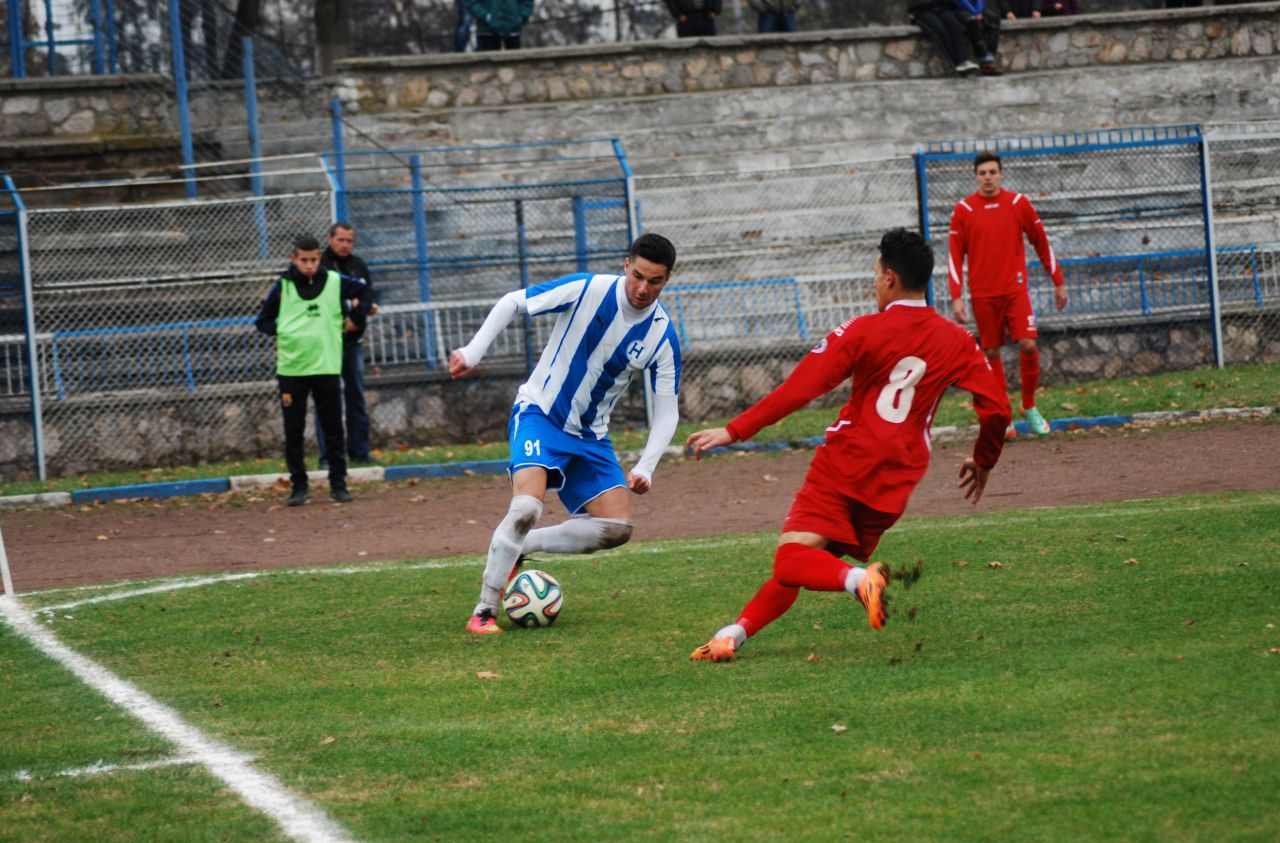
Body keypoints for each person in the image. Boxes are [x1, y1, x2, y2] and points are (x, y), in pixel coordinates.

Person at [687, 228, 1011, 662]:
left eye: (876, 274)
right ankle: (734, 634)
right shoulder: (959, 340)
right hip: (898, 478)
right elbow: (997, 410)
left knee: (791, 560)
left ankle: (861, 582)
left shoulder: (862, 330)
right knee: (809, 561)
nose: (874, 283)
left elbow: (800, 388)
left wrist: (735, 429)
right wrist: (984, 460)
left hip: (848, 461)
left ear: (890, 277)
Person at [450, 234, 683, 635]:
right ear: (626, 264)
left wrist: (646, 466)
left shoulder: (662, 336)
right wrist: (473, 351)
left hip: (591, 438)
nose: (643, 288)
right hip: (539, 414)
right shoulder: (588, 289)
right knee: (526, 508)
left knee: (617, 529)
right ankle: (484, 610)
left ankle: (521, 546)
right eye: (638, 276)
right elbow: (514, 301)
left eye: (655, 281)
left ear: (667, 280)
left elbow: (667, 412)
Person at [948, 151, 1067, 436]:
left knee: (1028, 344)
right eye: (982, 173)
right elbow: (954, 256)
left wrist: (1058, 281)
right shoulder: (963, 210)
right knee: (990, 351)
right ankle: (1004, 414)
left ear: (1001, 174)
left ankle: (1029, 405)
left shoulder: (1018, 203)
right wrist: (956, 296)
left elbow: (1041, 242)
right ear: (976, 177)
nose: (988, 177)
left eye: (992, 172)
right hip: (982, 293)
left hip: (1015, 290)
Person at [255, 235, 374, 507]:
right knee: (293, 431)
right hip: (292, 369)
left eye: (313, 260)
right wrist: (285, 331)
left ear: (319, 258)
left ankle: (338, 485)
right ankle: (299, 487)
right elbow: (262, 321)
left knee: (333, 428)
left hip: (326, 366)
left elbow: (365, 291)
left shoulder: (334, 281)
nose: (309, 265)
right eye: (303, 260)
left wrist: (357, 318)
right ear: (294, 259)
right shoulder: (283, 286)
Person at [315, 221, 377, 469]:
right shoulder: (320, 265)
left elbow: (368, 296)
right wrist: (349, 303)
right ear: (330, 239)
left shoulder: (358, 265)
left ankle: (360, 453)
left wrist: (356, 316)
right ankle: (328, 458)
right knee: (326, 401)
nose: (345, 245)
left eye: (349, 240)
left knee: (356, 400)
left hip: (353, 343)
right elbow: (325, 299)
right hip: (326, 344)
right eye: (340, 240)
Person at [908, 1, 979, 77]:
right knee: (940, 30)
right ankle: (952, 64)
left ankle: (964, 61)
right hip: (919, 10)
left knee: (956, 27)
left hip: (939, 7)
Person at [952, 0, 1004, 75]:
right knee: (972, 21)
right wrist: (974, 12)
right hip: (960, 9)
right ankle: (984, 59)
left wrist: (979, 12)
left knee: (993, 19)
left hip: (977, 10)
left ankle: (990, 56)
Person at [463, 0, 533, 51]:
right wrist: (485, 16)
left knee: (516, 65)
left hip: (513, 30)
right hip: (487, 31)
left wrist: (521, 16)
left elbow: (527, 2)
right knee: (487, 66)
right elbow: (470, 2)